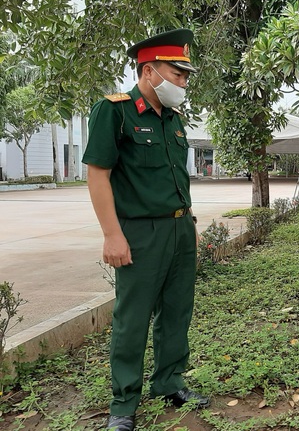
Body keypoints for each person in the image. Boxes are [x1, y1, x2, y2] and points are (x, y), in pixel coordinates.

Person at [82, 29, 209, 431]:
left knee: (176, 311)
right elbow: (98, 174)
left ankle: (169, 382)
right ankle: (123, 403)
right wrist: (111, 234)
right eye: (179, 73)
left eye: (186, 75)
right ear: (150, 70)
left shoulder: (173, 119)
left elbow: (176, 178)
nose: (184, 82)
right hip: (138, 233)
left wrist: (188, 221)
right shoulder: (114, 111)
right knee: (132, 318)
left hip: (178, 230)